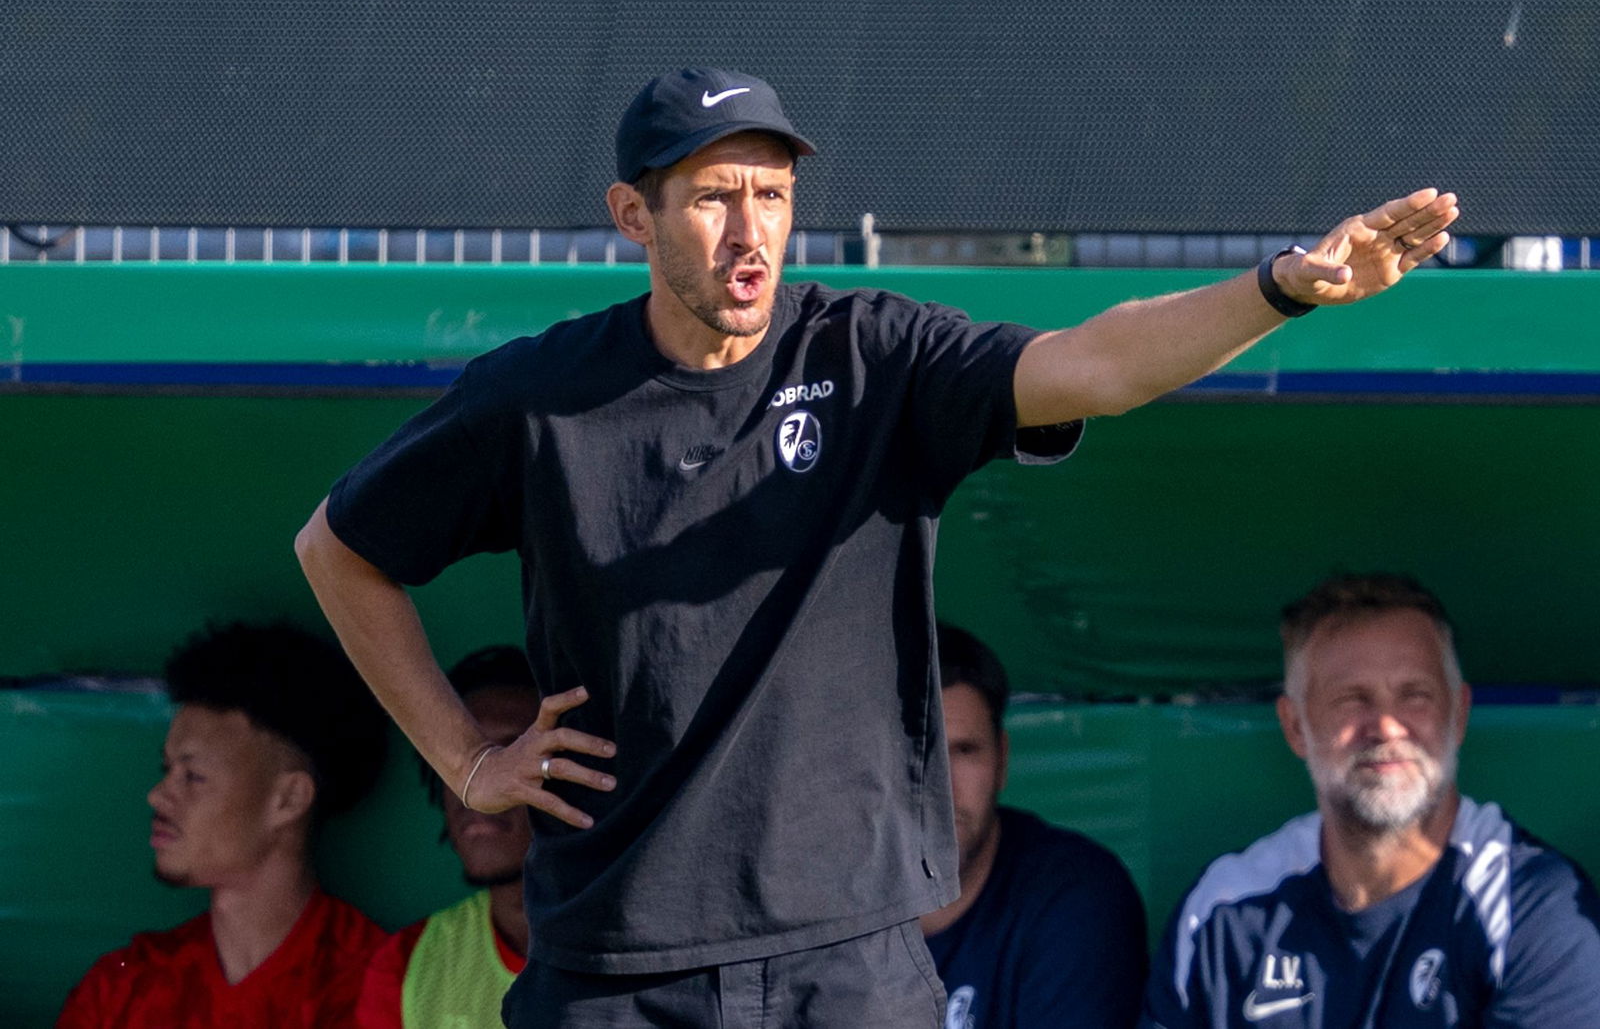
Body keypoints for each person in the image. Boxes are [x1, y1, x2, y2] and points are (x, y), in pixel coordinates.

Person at [294, 64, 1459, 1026]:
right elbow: (339, 549)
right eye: (711, 196)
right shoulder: (538, 397)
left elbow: (1095, 361)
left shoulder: (872, 355)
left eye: (772, 192)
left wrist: (1282, 289)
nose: (750, 230)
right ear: (631, 214)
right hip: (612, 967)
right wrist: (464, 758)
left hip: (846, 963)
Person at [1141, 573, 1600, 1028]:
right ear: (1296, 726)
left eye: (1414, 696)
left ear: (1458, 715)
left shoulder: (1529, 906)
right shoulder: (1224, 910)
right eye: (1352, 699)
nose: (1386, 726)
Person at [56, 620, 390, 1029]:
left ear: (288, 799)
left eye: (193, 776)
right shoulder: (123, 985)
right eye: (166, 769)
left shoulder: (383, 989)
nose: (157, 796)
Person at [922, 622, 1146, 1029]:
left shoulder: (1073, 895)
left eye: (964, 751)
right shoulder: (815, 903)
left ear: (1002, 759)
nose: (942, 787)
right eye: (921, 756)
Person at [357, 645, 541, 1028]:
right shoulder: (409, 963)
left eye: (511, 754)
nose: (478, 789)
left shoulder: (645, 943)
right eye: (462, 764)